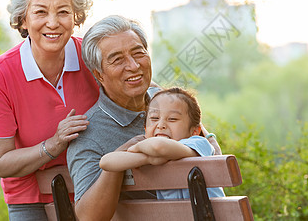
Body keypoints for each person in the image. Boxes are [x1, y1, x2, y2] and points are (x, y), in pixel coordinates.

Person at [0, 0, 99, 220]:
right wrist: (53, 144)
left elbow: (138, 92)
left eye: (63, 12)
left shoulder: (92, 55)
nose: (53, 23)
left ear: (75, 17)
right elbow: (1, 163)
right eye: (40, 12)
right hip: (32, 200)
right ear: (23, 18)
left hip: (96, 188)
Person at [67, 15, 220, 220]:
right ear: (99, 75)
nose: (133, 65)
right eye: (118, 59)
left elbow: (214, 153)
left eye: (138, 53)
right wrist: (122, 156)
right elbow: (88, 217)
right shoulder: (89, 134)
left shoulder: (170, 103)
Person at [99, 87, 225, 199]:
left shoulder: (198, 143)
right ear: (145, 128)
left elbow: (158, 146)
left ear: (194, 131)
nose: (161, 125)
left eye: (172, 119)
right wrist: (148, 158)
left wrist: (136, 149)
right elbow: (106, 162)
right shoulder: (151, 152)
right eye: (154, 118)